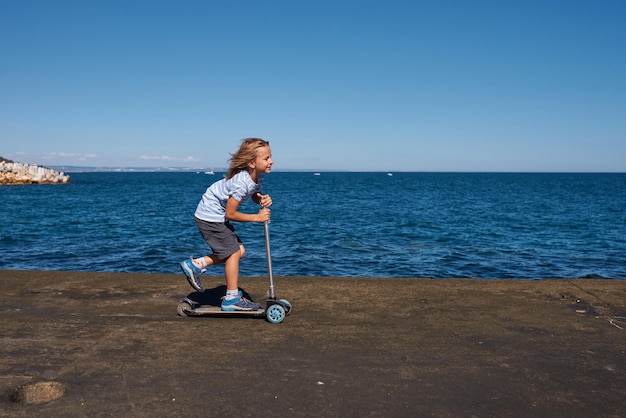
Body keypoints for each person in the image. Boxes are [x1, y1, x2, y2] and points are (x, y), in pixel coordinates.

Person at [180, 138, 273, 311]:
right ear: (252, 163)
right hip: (210, 216)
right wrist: (257, 218)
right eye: (266, 158)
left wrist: (259, 198)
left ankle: (197, 264)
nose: (271, 161)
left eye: (270, 157)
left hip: (215, 216)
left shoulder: (256, 178)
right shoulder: (241, 182)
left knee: (240, 251)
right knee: (233, 253)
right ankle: (231, 298)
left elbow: (252, 192)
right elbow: (230, 213)